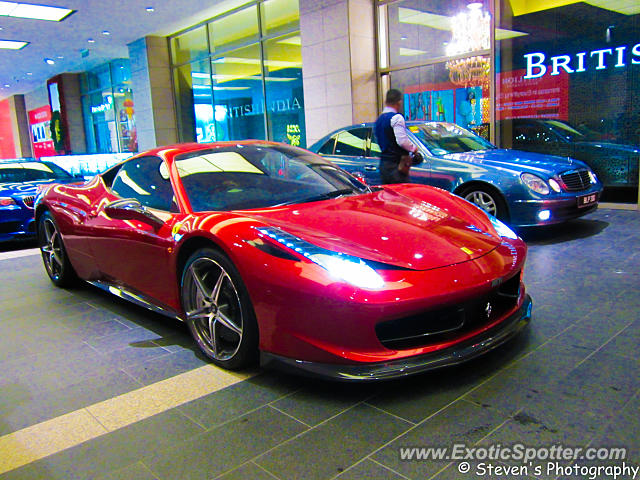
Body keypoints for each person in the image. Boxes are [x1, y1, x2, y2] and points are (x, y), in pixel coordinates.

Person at [375, 89, 421, 184]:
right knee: (401, 195)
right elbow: (402, 141)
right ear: (399, 102)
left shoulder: (379, 119)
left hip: (384, 165)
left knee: (388, 194)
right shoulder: (396, 118)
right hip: (397, 166)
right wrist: (414, 148)